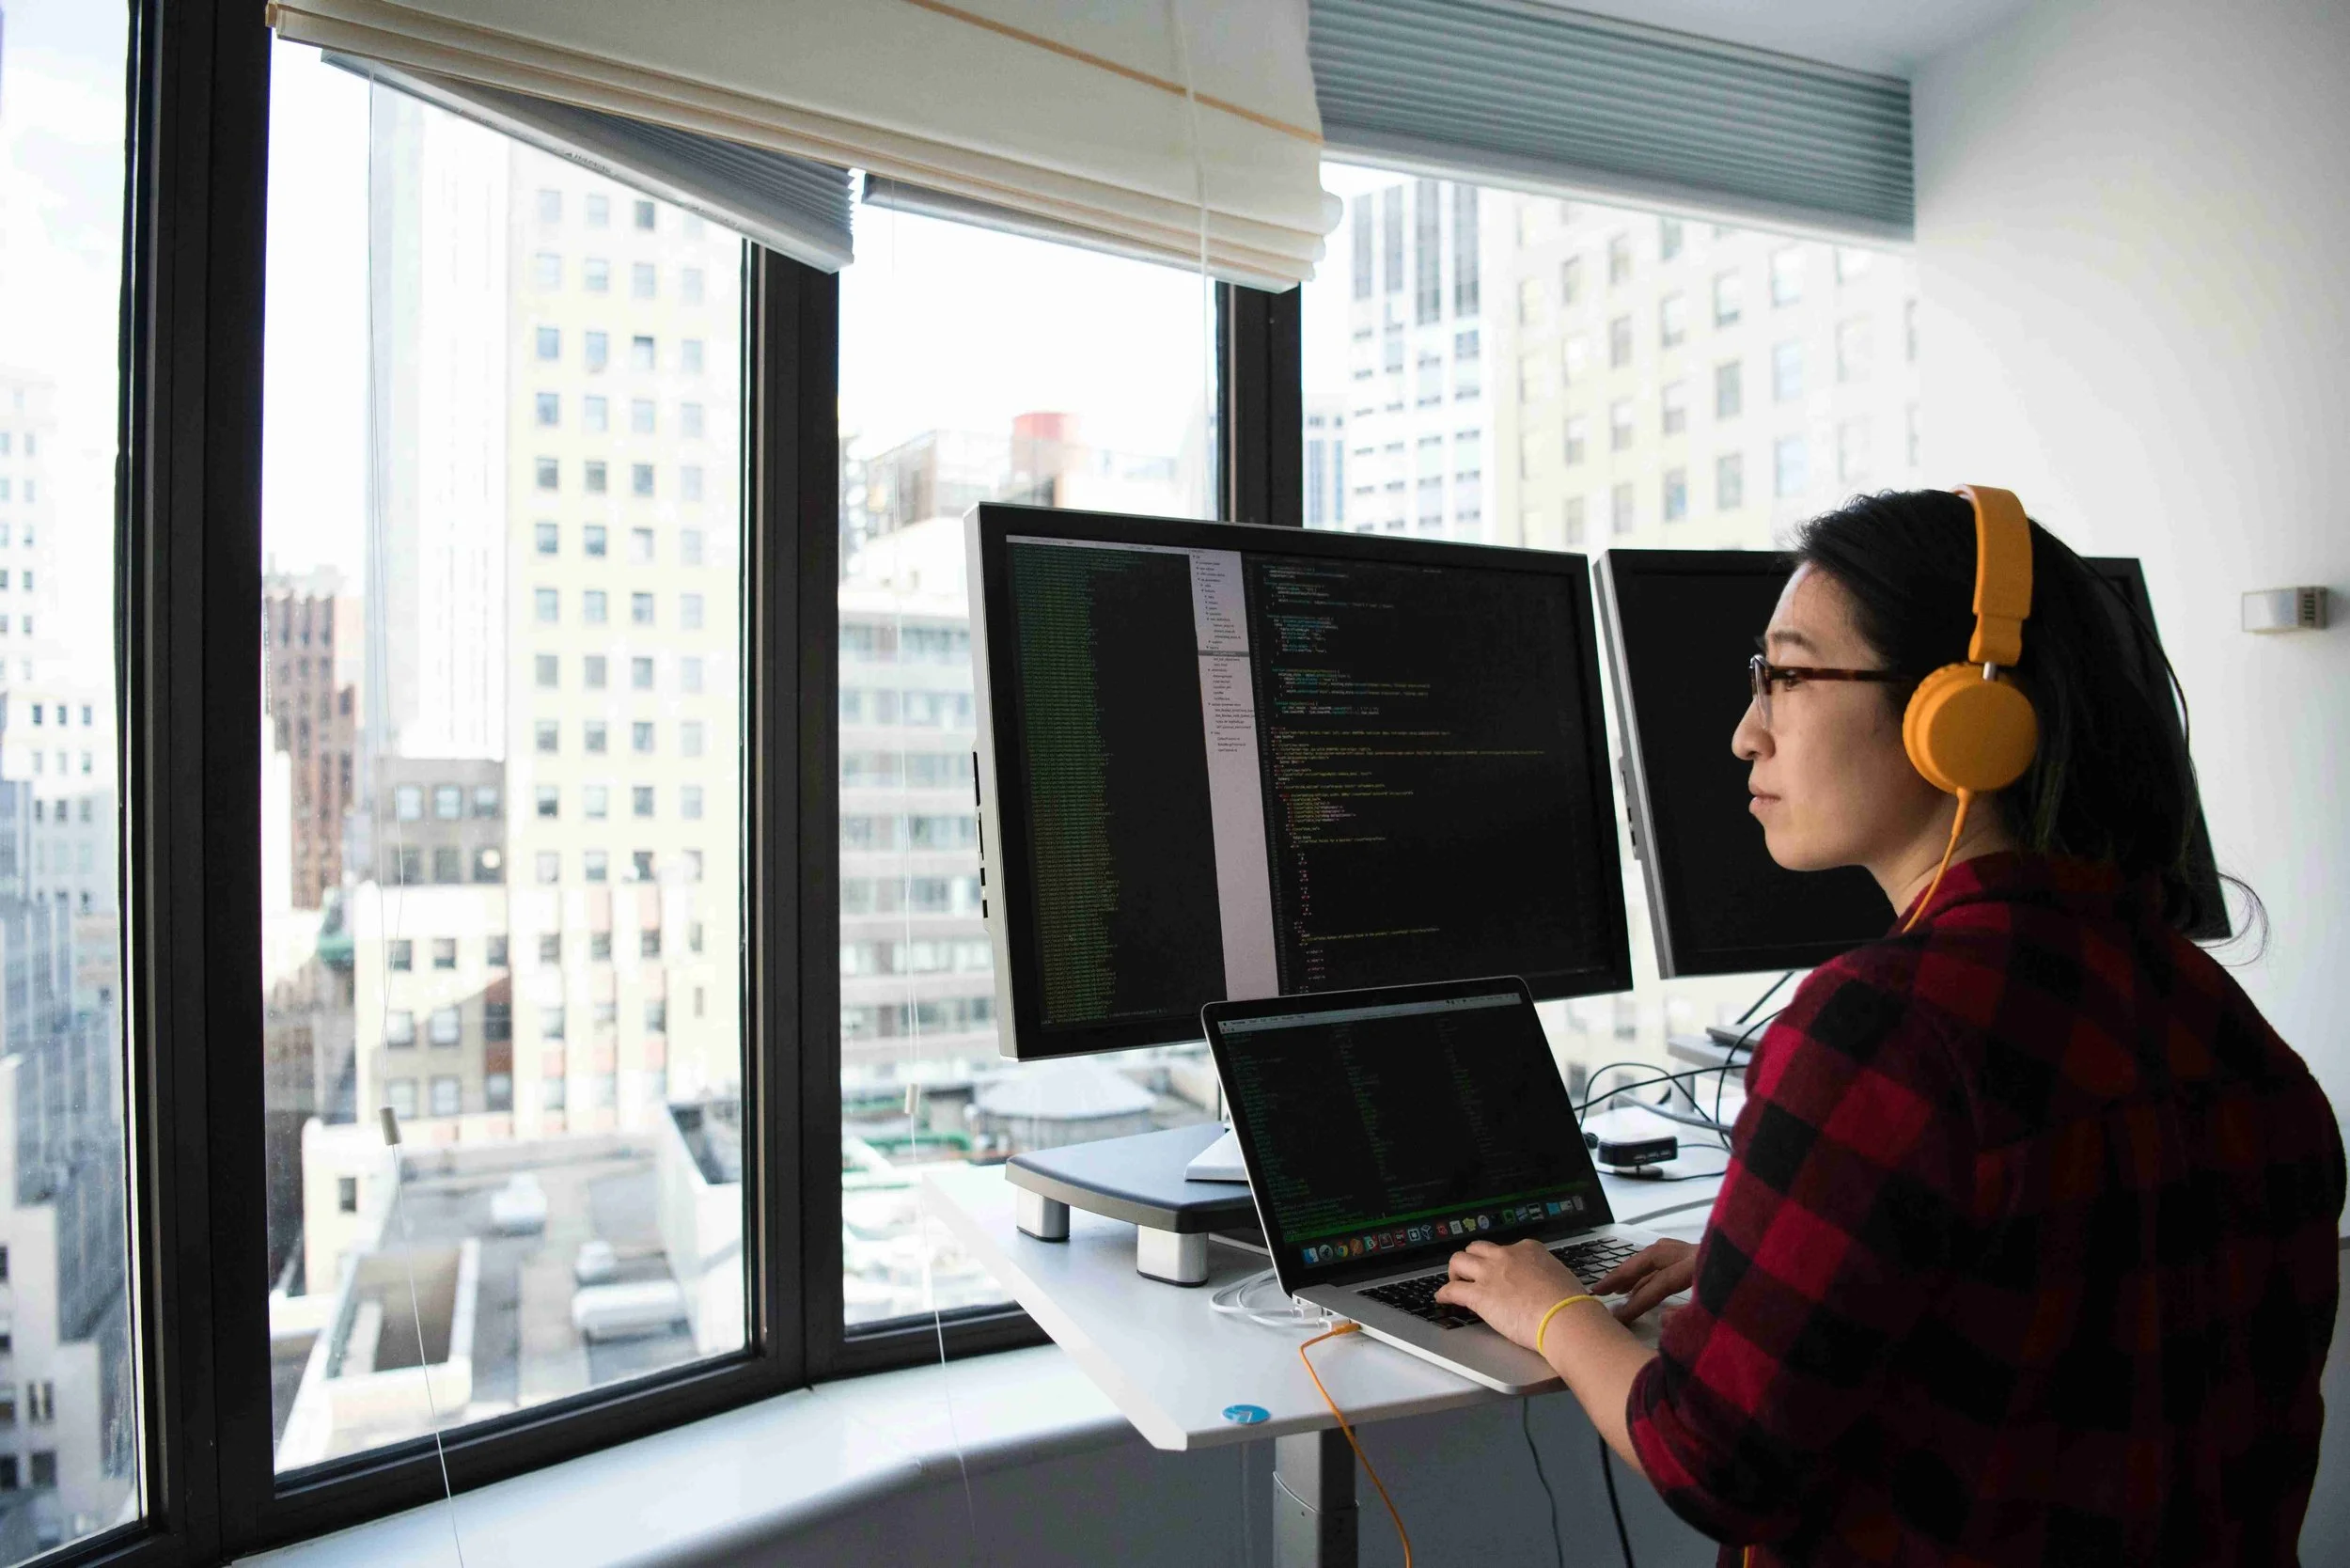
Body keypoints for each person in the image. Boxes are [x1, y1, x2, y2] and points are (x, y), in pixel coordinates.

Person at [1435, 490, 2343, 1565]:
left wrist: (1549, 1307)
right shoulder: (2219, 1014)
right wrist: (1755, 1277)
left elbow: (1713, 1460)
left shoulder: (1884, 1028)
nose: (1744, 731)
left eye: (1787, 674)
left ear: (1959, 716)